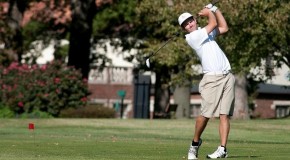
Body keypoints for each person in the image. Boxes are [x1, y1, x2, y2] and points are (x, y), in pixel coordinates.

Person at [178, 4, 235, 160]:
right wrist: (209, 12)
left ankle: (222, 149)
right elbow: (214, 23)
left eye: (190, 21)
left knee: (224, 115)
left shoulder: (207, 34)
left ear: (195, 20)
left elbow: (223, 27)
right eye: (186, 24)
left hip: (227, 76)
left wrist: (215, 10)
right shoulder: (192, 37)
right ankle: (195, 144)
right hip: (211, 79)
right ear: (185, 29)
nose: (189, 24)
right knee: (205, 115)